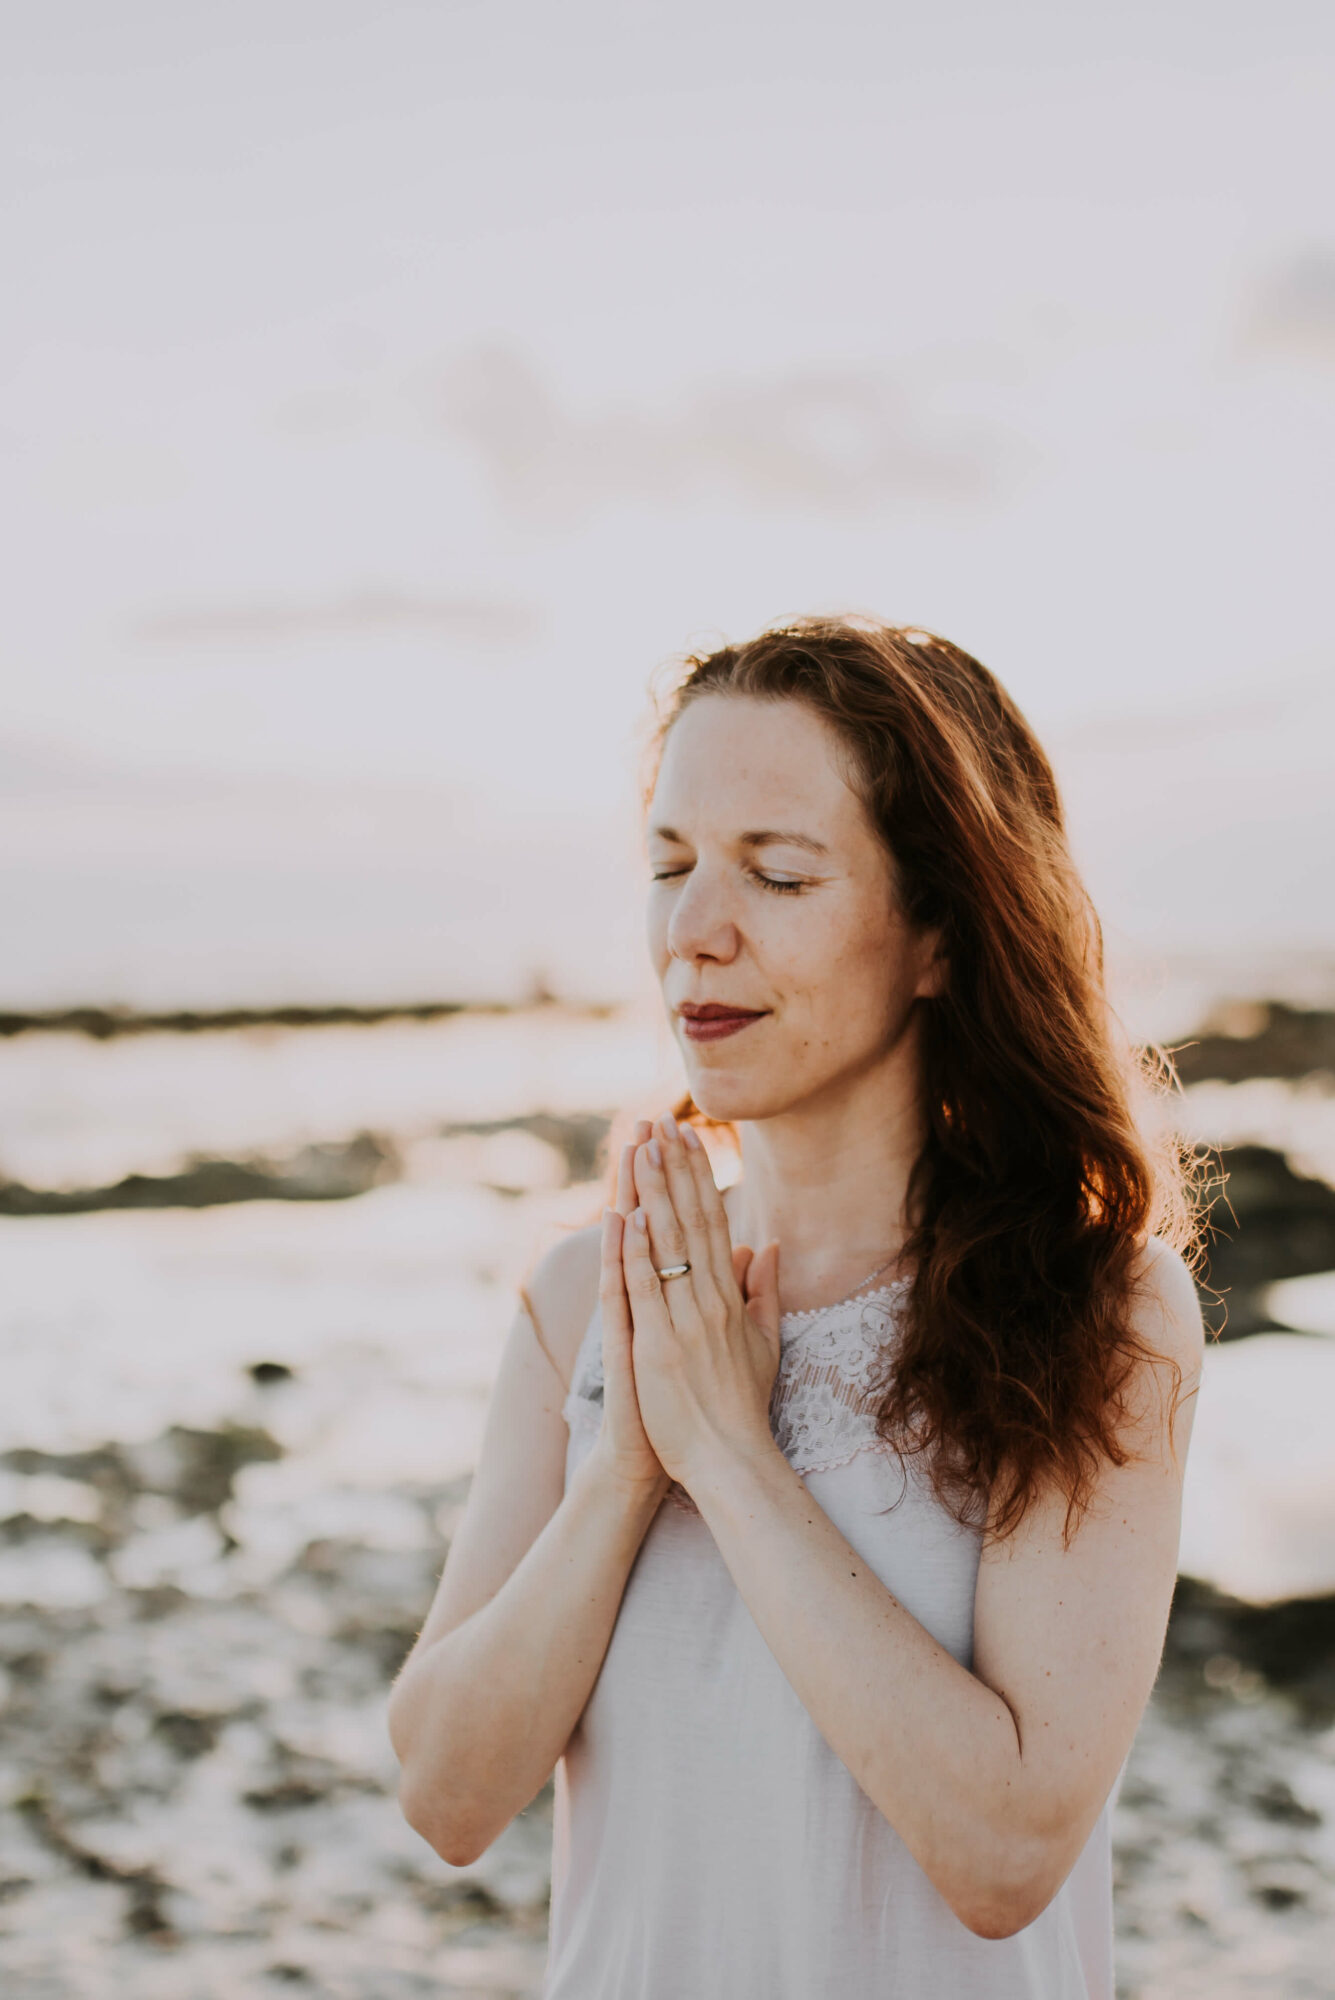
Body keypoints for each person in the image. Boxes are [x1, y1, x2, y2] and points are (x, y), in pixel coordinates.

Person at [388, 616, 1205, 1999]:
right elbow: (447, 1794)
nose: (695, 933)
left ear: (939, 934)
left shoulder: (1097, 1306)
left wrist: (728, 1457)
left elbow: (1006, 1853)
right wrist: (628, 1472)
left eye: (776, 875)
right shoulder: (587, 1294)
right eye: (669, 867)